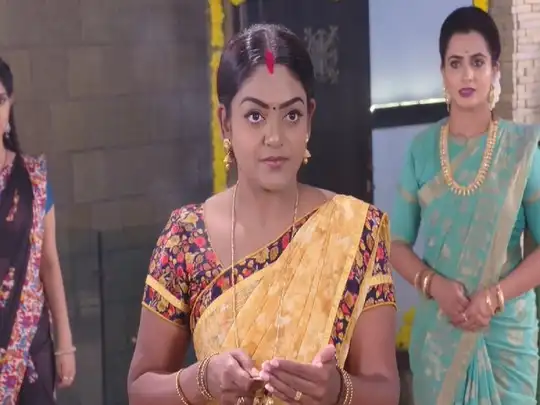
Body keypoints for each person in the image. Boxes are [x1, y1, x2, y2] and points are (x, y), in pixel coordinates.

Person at [127, 23, 399, 405]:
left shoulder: (356, 231)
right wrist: (202, 380)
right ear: (225, 122)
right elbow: (140, 389)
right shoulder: (185, 238)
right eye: (255, 116)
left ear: (310, 119)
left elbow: (385, 389)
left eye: (291, 115)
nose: (275, 137)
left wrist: (337, 390)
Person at [390, 6, 540, 405]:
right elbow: (396, 243)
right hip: (440, 339)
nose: (467, 75)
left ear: (495, 70)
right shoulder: (422, 151)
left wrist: (495, 297)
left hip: (506, 340)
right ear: (443, 72)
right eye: (455, 63)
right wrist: (433, 285)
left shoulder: (522, 151)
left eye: (478, 62)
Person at [0, 58, 76, 404]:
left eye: (0, 100)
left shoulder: (33, 180)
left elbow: (49, 262)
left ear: (10, 104)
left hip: (30, 343)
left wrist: (65, 343)